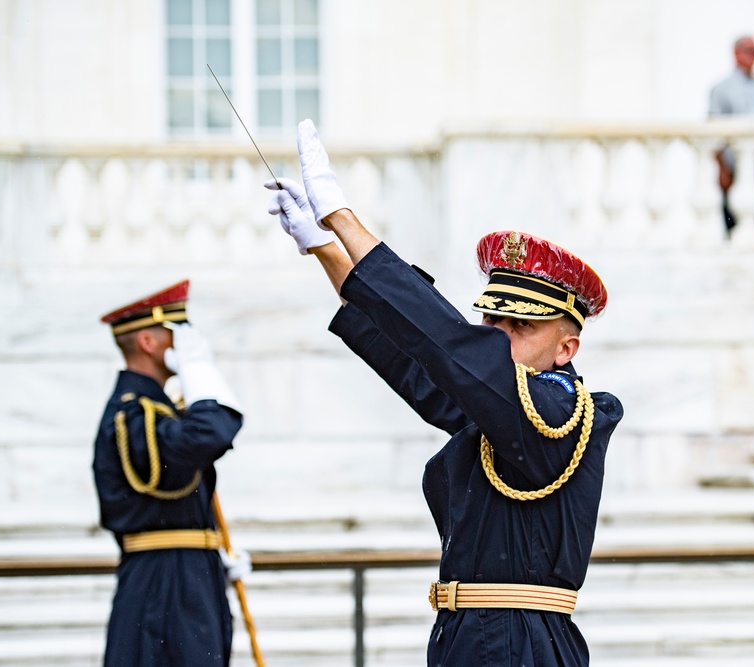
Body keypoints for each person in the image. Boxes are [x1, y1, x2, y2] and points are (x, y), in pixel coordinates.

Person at [265, 120, 624, 666]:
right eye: (492, 322)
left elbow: (452, 348)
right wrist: (325, 250)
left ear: (565, 350)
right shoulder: (502, 413)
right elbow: (423, 361)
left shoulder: (564, 413)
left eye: (521, 328)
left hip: (519, 644)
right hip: (469, 637)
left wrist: (342, 218)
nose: (497, 337)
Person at [92, 279, 244, 667]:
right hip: (165, 582)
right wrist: (198, 370)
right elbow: (214, 430)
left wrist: (206, 551)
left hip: (183, 572)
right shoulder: (135, 414)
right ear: (148, 341)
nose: (183, 342)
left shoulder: (153, 411)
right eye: (174, 332)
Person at [709, 35, 754, 238]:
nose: (752, 57)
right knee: (734, 227)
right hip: (734, 170)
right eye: (748, 51)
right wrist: (722, 170)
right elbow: (713, 134)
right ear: (736, 53)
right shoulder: (721, 89)